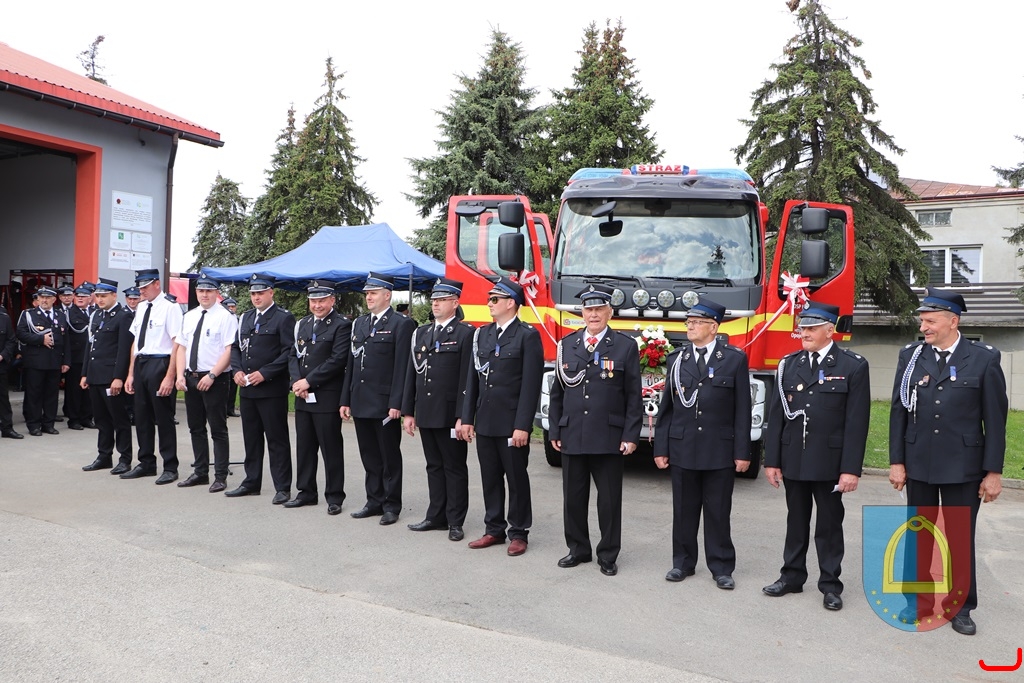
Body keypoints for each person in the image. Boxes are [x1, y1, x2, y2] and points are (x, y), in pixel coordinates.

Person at [888, 287, 1007, 636]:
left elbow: (995, 421)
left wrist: (994, 472)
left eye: (930, 321)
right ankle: (917, 603)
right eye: (922, 321)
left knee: (958, 539)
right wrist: (897, 461)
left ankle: (961, 607)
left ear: (953, 322)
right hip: (919, 462)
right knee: (919, 537)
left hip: (963, 466)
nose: (923, 327)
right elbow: (898, 412)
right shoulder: (911, 356)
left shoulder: (983, 358)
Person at [762, 302, 869, 612]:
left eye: (811, 328)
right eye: (802, 328)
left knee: (829, 525)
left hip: (830, 462)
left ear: (829, 331)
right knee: (795, 521)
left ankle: (830, 585)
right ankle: (792, 576)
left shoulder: (852, 365)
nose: (804, 333)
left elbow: (857, 423)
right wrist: (772, 461)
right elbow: (777, 416)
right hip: (794, 457)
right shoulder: (789, 364)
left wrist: (850, 469)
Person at [654, 298, 750, 589]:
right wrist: (661, 448)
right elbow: (666, 409)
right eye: (689, 322)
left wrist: (742, 451)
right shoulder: (677, 359)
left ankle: (721, 567)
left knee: (718, 511)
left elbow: (742, 410)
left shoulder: (733, 359)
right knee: (683, 509)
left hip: (719, 448)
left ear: (714, 327)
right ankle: (682, 563)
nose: (690, 327)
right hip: (683, 446)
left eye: (697, 322)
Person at [548, 284, 642, 576]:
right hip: (573, 433)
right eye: (589, 309)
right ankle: (578, 549)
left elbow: (633, 397)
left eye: (600, 309)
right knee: (573, 499)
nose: (594, 314)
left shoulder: (625, 346)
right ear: (582, 313)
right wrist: (555, 431)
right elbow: (557, 394)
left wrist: (630, 435)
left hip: (608, 436)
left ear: (610, 312)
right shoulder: (567, 345)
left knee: (609, 501)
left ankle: (608, 554)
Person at [460, 277, 544, 556]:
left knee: (516, 479)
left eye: (495, 299)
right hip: (485, 419)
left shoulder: (527, 335)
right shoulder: (482, 334)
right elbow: (472, 379)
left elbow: (530, 385)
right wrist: (467, 418)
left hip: (511, 423)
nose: (489, 303)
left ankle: (519, 532)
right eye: (489, 299)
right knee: (490, 477)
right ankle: (494, 528)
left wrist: (523, 426)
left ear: (511, 303)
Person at [402, 278, 474, 541]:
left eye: (442, 300)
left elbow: (467, 379)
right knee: (433, 466)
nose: (436, 304)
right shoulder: (421, 333)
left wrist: (463, 416)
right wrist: (409, 411)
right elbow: (412, 374)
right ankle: (436, 516)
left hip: (450, 414)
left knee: (454, 467)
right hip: (426, 410)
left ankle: (455, 521)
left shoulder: (465, 333)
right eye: (434, 300)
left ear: (455, 303)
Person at [340, 272, 415, 525]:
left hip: (384, 403)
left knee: (388, 457)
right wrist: (346, 399)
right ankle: (374, 500)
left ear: (387, 295)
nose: (368, 297)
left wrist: (397, 403)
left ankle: (391, 505)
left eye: (373, 293)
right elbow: (351, 364)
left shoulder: (401, 324)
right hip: (361, 399)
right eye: (367, 294)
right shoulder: (360, 323)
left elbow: (403, 367)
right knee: (369, 455)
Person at [225, 274, 295, 504]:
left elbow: (288, 352)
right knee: (251, 439)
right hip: (247, 389)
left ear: (271, 292)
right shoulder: (245, 317)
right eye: (253, 293)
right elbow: (236, 348)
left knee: (277, 440)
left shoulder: (283, 318)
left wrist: (265, 373)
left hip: (271, 390)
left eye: (260, 293)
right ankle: (251, 482)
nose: (256, 297)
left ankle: (282, 487)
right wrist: (236, 370)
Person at [286, 280, 351, 514]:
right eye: (313, 300)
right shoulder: (302, 324)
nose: (317, 305)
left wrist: (309, 381)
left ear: (332, 300)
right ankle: (306, 492)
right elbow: (293, 355)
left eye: (322, 300)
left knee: (330, 448)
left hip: (326, 397)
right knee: (304, 447)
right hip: (303, 396)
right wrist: (296, 382)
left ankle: (334, 496)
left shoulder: (341, 325)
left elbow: (338, 359)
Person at [174, 273, 238, 493]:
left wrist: (212, 375)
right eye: (201, 291)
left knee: (218, 429)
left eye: (209, 291)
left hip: (215, 379)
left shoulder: (225, 317)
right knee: (196, 428)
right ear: (196, 292)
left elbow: (230, 350)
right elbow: (182, 347)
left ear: (216, 293)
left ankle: (220, 476)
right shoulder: (190, 316)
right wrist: (179, 375)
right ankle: (200, 472)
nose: (204, 295)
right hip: (191, 377)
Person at [122, 268, 184, 484]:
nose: (142, 291)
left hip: (160, 362)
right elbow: (136, 342)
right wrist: (130, 373)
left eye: (145, 287)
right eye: (140, 288)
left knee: (163, 417)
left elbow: (177, 343)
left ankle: (170, 466)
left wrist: (170, 376)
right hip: (142, 363)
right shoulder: (141, 307)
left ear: (157, 284)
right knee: (142, 416)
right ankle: (146, 462)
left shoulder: (170, 307)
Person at [80, 278, 134, 473]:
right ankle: (104, 456)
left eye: (104, 296)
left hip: (111, 377)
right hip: (95, 375)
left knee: (119, 420)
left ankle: (125, 459)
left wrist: (118, 377)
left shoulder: (123, 316)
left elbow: (123, 350)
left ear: (114, 295)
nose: (100, 299)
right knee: (101, 420)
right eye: (98, 296)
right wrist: (85, 373)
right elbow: (90, 346)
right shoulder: (96, 315)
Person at [16, 286, 70, 436]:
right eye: (41, 297)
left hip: (54, 361)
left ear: (54, 299)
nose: (44, 300)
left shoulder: (60, 315)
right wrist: (40, 339)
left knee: (52, 395)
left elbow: (65, 340)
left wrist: (66, 361)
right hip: (35, 362)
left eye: (47, 298)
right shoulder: (28, 314)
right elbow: (20, 333)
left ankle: (48, 424)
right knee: (34, 394)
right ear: (38, 299)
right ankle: (34, 425)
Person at [63, 284, 94, 430]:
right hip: (76, 357)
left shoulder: (95, 312)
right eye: (78, 296)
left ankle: (86, 417)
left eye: (83, 296)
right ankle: (74, 419)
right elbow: (65, 339)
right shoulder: (69, 313)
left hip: (91, 357)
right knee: (74, 391)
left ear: (90, 298)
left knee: (89, 390)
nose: (80, 298)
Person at [0, 304, 22, 439]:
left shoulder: (4, 318)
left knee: (3, 399)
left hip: (0, 364)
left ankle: (7, 428)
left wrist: (2, 355)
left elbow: (11, 340)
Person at [221, 297, 240, 417]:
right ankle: (223, 410)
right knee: (224, 387)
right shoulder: (222, 318)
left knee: (233, 386)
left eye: (233, 306)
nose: (231, 308)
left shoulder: (237, 319)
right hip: (223, 356)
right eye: (229, 307)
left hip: (235, 355)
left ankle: (230, 409)